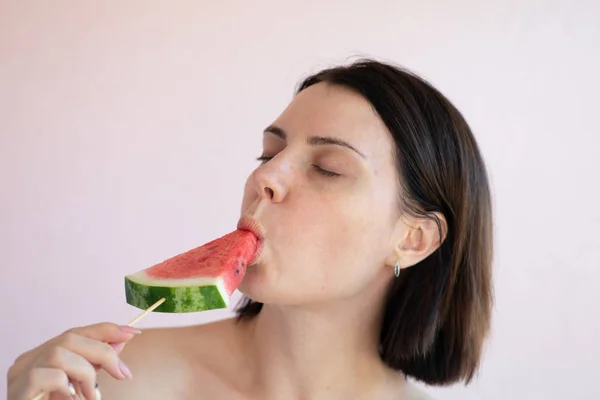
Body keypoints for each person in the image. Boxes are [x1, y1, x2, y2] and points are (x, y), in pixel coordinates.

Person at [7, 58, 494, 400]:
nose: (265, 177)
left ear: (413, 240)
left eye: (327, 168)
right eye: (269, 153)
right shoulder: (113, 381)